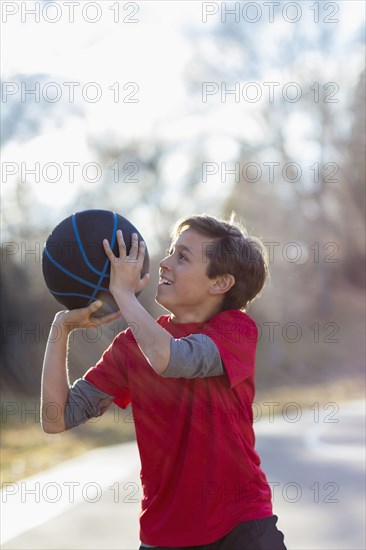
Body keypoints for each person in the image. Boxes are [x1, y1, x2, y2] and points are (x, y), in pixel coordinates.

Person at [41, 213, 287, 550]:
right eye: (171, 251)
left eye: (182, 256)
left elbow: (171, 358)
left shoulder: (236, 330)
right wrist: (61, 328)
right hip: (164, 535)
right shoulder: (131, 347)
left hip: (241, 525)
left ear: (220, 283)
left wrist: (123, 294)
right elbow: (55, 419)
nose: (165, 263)